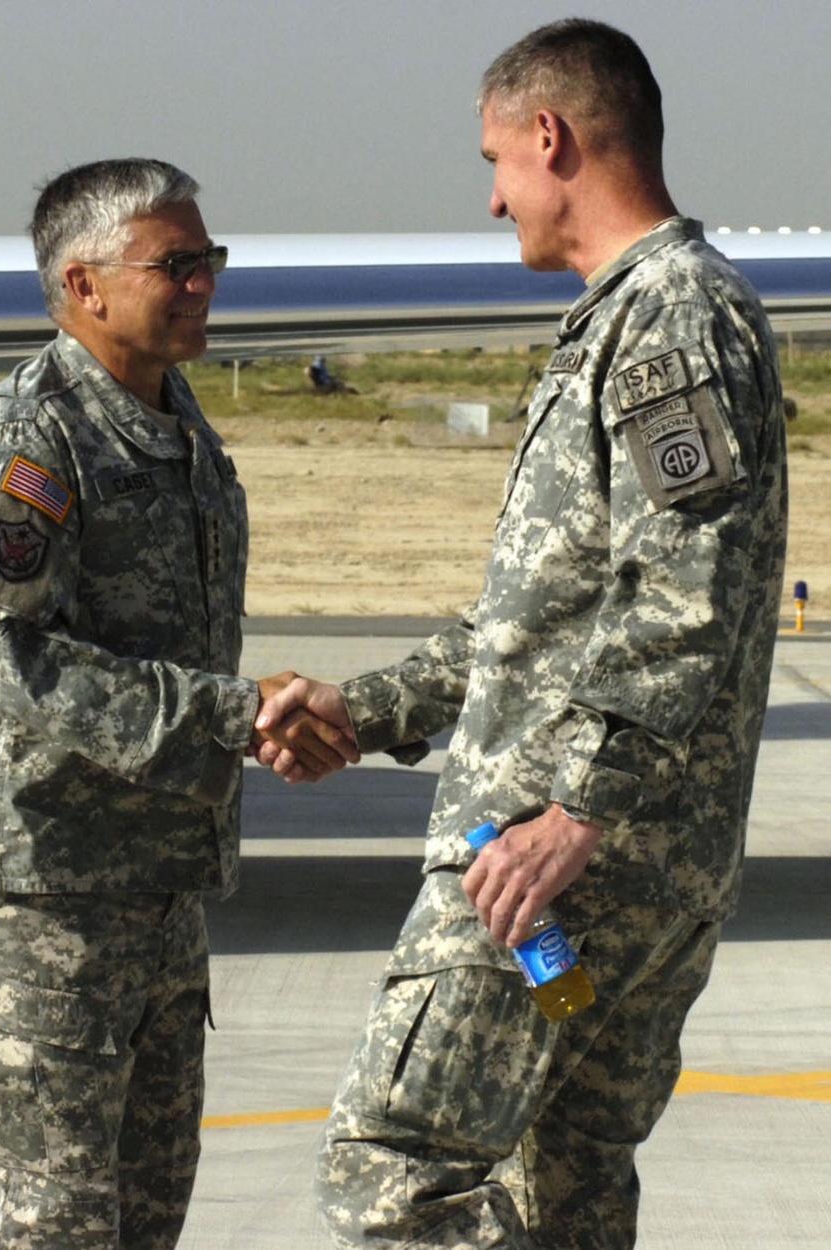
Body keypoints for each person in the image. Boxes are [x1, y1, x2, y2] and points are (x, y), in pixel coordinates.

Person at [255, 20, 787, 1249]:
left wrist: (574, 814)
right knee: (568, 1184)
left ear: (550, 138)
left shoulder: (666, 319)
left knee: (390, 1173)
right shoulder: (644, 317)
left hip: (550, 870)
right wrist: (370, 709)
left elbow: (679, 595)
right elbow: (542, 615)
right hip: (620, 861)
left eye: (494, 159)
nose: (494, 199)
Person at [0, 157, 357, 1250]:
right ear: (85, 284)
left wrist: (247, 718)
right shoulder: (29, 442)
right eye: (177, 263)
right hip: (40, 887)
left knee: (149, 1201)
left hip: (153, 882)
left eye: (210, 260)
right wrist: (231, 713)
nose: (203, 282)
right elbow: (19, 663)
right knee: (55, 1219)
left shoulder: (176, 425)